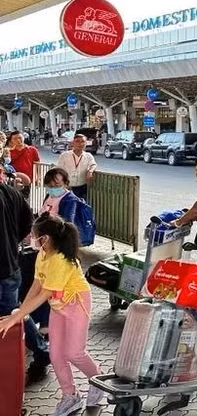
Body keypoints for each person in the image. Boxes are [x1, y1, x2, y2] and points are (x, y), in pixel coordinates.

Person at [0, 214, 103, 413]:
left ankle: (98, 381)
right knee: (56, 354)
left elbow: (44, 293)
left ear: (45, 238)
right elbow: (36, 286)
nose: (30, 238)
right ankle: (70, 395)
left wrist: (16, 317)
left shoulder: (61, 260)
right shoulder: (43, 255)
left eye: (34, 235)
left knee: (74, 352)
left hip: (76, 303)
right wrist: (19, 312)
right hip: (58, 306)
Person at [0, 164, 51, 386]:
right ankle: (41, 353)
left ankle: (40, 354)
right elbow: (27, 224)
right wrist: (11, 244)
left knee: (14, 314)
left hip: (5, 270)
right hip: (11, 265)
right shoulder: (10, 192)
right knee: (16, 313)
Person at [55, 134, 97, 202]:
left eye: (82, 141)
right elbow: (58, 171)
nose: (80, 144)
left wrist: (90, 172)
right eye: (77, 141)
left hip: (82, 189)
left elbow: (93, 164)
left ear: (86, 143)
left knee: (80, 209)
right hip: (67, 188)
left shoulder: (88, 156)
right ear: (73, 143)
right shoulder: (65, 155)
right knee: (67, 210)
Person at [9, 130, 39, 199]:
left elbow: (37, 164)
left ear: (23, 138)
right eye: (15, 138)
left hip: (27, 180)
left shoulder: (32, 150)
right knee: (13, 199)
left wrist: (38, 177)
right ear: (11, 141)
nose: (18, 140)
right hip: (13, 180)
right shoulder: (9, 152)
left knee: (25, 198)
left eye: (20, 138)